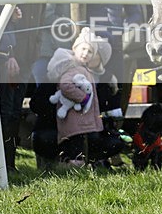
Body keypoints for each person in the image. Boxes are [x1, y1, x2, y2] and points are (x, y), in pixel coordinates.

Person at [71, 0, 143, 118]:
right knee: (90, 88)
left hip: (116, 45)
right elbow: (73, 9)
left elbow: (135, 11)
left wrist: (126, 30)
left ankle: (112, 135)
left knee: (115, 90)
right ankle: (90, 135)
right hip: (90, 47)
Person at [0, 0, 47, 172]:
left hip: (27, 58)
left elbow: (40, 20)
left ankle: (9, 163)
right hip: (9, 56)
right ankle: (3, 165)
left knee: (15, 112)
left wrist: (35, 50)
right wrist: (11, 53)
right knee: (5, 112)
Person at [44, 28, 111, 167]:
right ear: (75, 48)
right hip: (73, 118)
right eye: (83, 49)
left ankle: (76, 166)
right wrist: (83, 98)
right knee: (75, 144)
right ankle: (72, 168)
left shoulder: (82, 68)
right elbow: (65, 85)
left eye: (90, 51)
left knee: (79, 143)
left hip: (80, 119)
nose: (86, 53)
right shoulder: (72, 67)